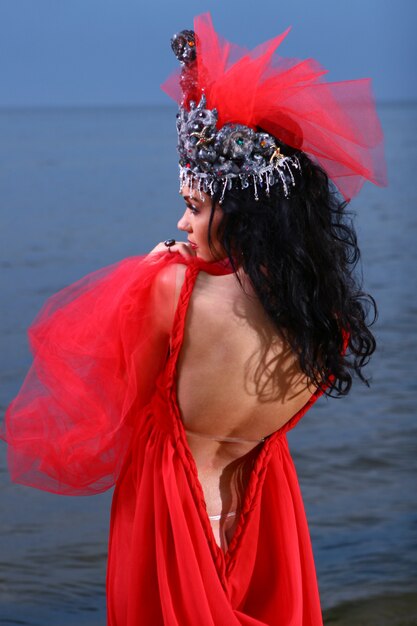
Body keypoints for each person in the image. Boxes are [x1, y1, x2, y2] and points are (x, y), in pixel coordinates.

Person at [1, 13, 386, 626]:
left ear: (243, 215)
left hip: (170, 514)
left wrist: (145, 277)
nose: (183, 223)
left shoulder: (171, 291)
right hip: (264, 516)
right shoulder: (326, 317)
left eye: (194, 206)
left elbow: (99, 406)